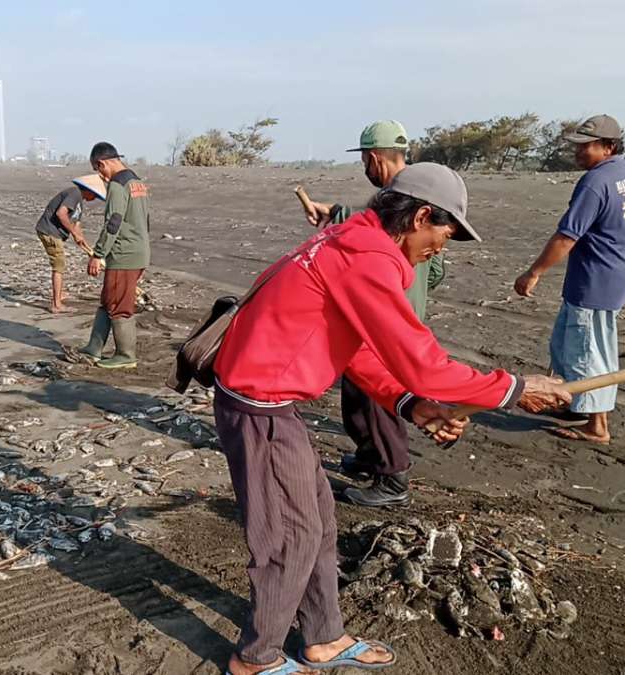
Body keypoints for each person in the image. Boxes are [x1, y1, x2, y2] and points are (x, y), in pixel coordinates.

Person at [213, 163, 572, 674]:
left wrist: (411, 404)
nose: (443, 246)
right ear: (422, 214)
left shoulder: (351, 243)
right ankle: (255, 658)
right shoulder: (364, 260)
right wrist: (513, 388)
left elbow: (356, 350)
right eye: (446, 231)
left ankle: (323, 638)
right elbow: (422, 361)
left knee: (318, 526)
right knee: (289, 537)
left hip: (271, 405)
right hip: (259, 408)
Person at [305, 120, 448, 507]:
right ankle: (371, 456)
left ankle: (392, 477)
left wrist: (335, 218)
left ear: (372, 158)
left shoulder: (392, 204)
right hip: (395, 310)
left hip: (382, 317)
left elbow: (363, 240)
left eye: (364, 162)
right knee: (357, 393)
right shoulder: (424, 196)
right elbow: (435, 271)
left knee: (378, 395)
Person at [515, 114, 625, 444]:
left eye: (585, 146)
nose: (578, 153)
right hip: (619, 268)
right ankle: (574, 404)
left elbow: (566, 236)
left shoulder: (595, 182)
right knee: (565, 342)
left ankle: (597, 425)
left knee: (589, 349)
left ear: (608, 146)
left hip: (598, 279)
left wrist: (533, 273)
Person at [77, 142, 151, 369]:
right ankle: (94, 347)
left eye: (99, 170)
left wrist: (97, 254)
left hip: (124, 255)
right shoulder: (138, 182)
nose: (101, 176)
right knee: (108, 300)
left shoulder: (118, 185)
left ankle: (126, 355)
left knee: (119, 305)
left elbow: (113, 222)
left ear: (103, 163)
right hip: (139, 250)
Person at [35, 175, 106, 313]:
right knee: (58, 266)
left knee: (60, 265)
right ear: (89, 191)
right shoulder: (74, 193)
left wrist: (81, 238)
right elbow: (61, 214)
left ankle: (59, 294)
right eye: (95, 196)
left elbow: (76, 223)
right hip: (49, 232)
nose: (94, 199)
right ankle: (56, 304)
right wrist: (73, 232)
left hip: (55, 233)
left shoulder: (79, 201)